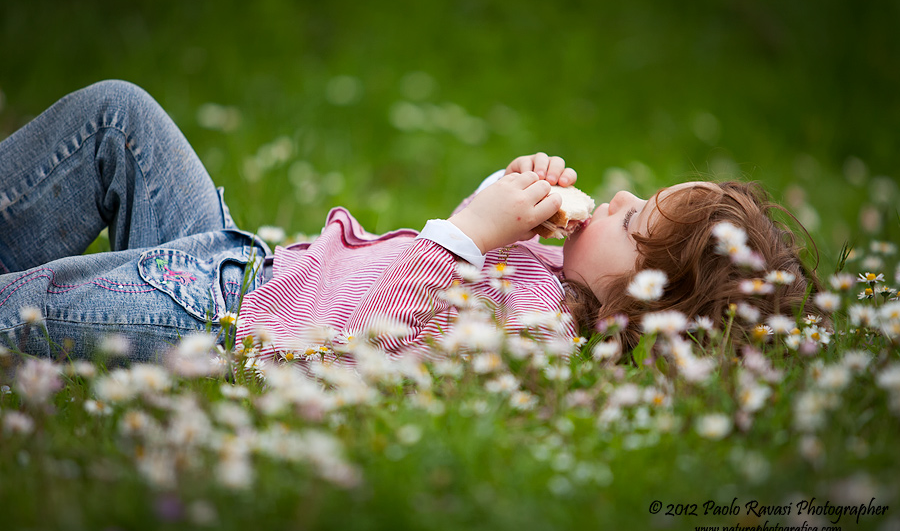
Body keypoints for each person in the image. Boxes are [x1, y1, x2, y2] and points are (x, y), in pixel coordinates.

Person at [0, 80, 816, 363]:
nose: (613, 200)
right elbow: (447, 278)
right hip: (246, 264)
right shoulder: (543, 283)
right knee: (117, 120)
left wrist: (468, 229)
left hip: (217, 318)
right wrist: (504, 204)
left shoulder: (535, 341)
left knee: (17, 309)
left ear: (630, 306)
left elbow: (375, 332)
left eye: (631, 219)